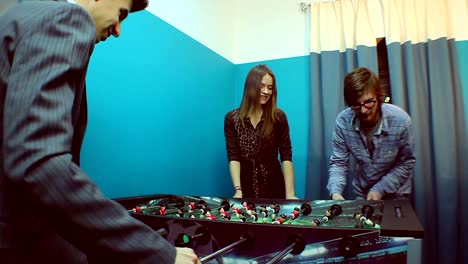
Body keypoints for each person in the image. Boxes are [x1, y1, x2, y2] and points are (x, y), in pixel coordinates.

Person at [0, 0, 200, 263]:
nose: (118, 30)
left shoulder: (18, 14)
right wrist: (162, 254)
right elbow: (39, 162)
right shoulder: (65, 17)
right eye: (121, 14)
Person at [327, 67, 416, 201]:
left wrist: (379, 189)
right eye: (356, 105)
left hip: (397, 194)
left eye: (369, 102)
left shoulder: (401, 121)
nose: (363, 110)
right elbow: (339, 163)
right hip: (362, 193)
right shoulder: (343, 121)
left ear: (379, 97)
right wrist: (335, 192)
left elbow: (406, 163)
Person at [224, 64, 298, 199]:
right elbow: (233, 156)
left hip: (275, 187)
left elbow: (286, 156)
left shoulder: (278, 117)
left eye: (270, 88)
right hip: (245, 188)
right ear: (251, 87)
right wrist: (238, 190)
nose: (266, 92)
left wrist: (290, 194)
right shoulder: (232, 119)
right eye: (262, 86)